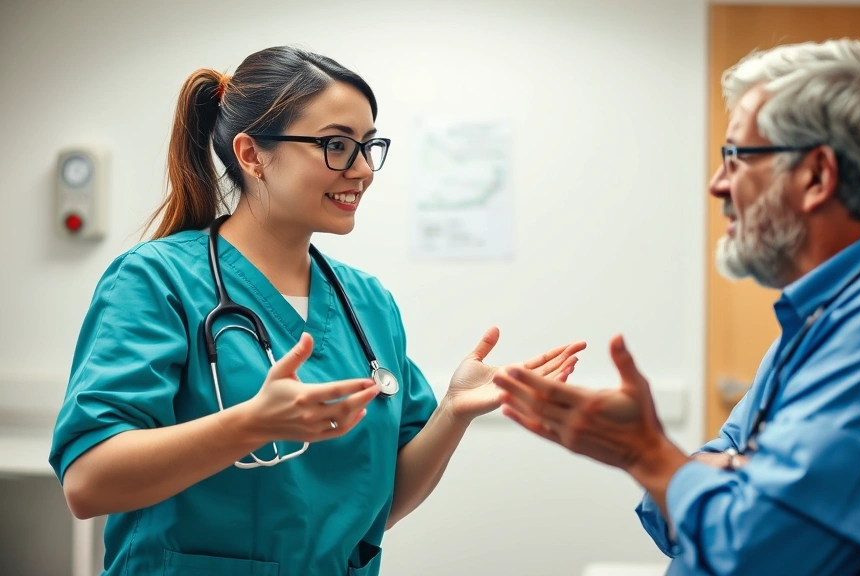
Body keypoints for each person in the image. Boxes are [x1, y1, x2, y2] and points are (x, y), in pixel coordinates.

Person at [493, 38, 860, 575]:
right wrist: (723, 477)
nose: (717, 183)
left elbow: (754, 554)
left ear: (817, 176)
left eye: (736, 157)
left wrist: (646, 453)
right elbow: (700, 508)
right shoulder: (825, 316)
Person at [48, 45, 585, 576]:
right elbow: (89, 482)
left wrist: (453, 410)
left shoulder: (367, 302)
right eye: (336, 145)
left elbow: (379, 505)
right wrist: (249, 425)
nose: (363, 171)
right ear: (252, 154)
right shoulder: (156, 279)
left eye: (368, 146)